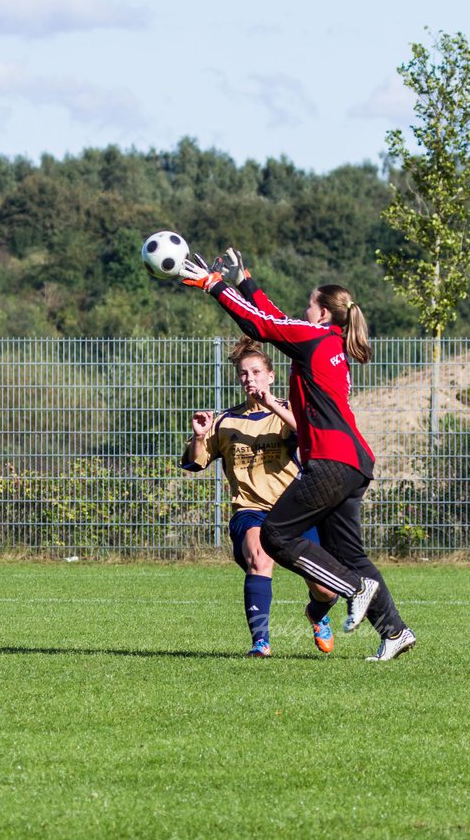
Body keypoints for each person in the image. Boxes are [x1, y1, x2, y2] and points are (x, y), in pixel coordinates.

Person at [178, 249, 416, 661]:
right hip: (356, 461)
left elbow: (262, 324)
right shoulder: (330, 341)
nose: (303, 309)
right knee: (351, 554)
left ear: (323, 313)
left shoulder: (314, 338)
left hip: (330, 460)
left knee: (276, 535)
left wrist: (213, 285)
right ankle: (394, 631)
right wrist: (246, 281)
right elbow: (273, 316)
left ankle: (355, 588)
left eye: (309, 303)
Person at [182, 337, 338, 657]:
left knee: (325, 588)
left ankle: (316, 614)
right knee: (259, 557)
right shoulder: (224, 421)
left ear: (271, 375)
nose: (249, 378)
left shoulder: (285, 412)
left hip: (292, 510)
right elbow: (193, 463)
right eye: (243, 373)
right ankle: (260, 643)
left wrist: (272, 406)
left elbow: (309, 437)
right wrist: (199, 437)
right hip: (250, 509)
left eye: (255, 371)